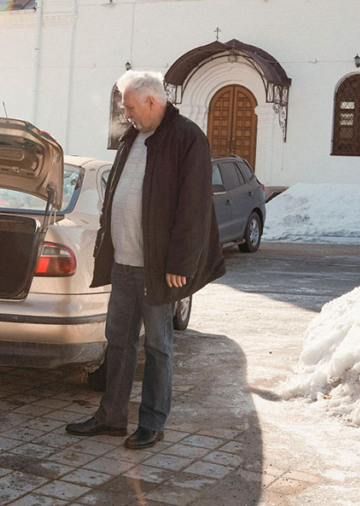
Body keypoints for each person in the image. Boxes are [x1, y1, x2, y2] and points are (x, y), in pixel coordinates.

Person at [66, 70, 225, 449]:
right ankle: (111, 416)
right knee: (118, 342)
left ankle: (152, 422)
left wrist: (180, 265)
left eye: (131, 108)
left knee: (157, 346)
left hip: (158, 268)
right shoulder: (132, 138)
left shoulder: (187, 138)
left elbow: (194, 208)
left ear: (152, 102)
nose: (127, 116)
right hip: (124, 262)